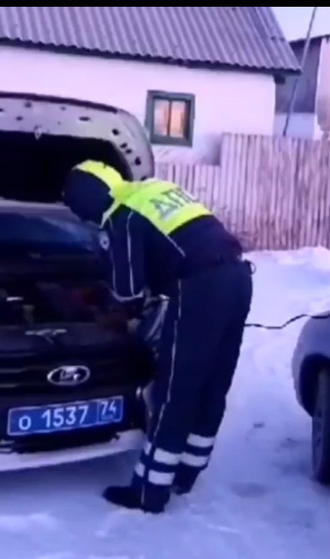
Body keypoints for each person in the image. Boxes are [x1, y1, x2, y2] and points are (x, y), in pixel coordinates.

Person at [62, 160, 253, 514]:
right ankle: (187, 473)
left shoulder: (122, 216)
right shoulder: (153, 190)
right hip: (239, 276)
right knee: (212, 382)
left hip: (200, 287)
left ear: (86, 200)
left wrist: (100, 300)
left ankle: (150, 491)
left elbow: (128, 291)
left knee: (175, 388)